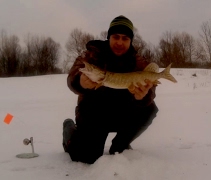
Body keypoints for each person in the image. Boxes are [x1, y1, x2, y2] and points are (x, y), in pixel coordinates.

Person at [63, 15, 159, 164]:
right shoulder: (92, 55)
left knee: (150, 108)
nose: (120, 42)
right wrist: (80, 82)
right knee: (86, 158)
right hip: (94, 114)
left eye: (125, 38)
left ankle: (120, 145)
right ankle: (69, 131)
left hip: (122, 113)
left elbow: (151, 91)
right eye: (116, 37)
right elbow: (71, 78)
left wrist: (143, 96)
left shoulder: (139, 62)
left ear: (130, 40)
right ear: (109, 37)